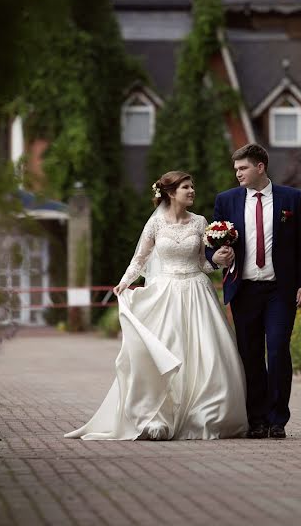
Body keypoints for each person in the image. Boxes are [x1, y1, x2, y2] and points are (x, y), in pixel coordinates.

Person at [65, 171, 247, 441]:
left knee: (205, 353)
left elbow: (202, 264)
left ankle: (205, 414)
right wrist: (124, 283)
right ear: (171, 193)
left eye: (192, 186)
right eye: (186, 187)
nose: (192, 191)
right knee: (166, 351)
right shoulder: (156, 225)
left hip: (197, 291)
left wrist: (219, 260)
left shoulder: (199, 223)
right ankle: (159, 415)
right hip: (166, 292)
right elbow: (140, 260)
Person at [208, 144, 301, 439]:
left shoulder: (291, 199)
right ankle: (256, 420)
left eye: (242, 168)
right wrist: (217, 257)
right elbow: (210, 245)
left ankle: (277, 418)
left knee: (278, 349)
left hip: (280, 290)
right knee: (250, 355)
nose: (238, 174)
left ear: (260, 167)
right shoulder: (226, 200)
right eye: (236, 169)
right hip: (244, 290)